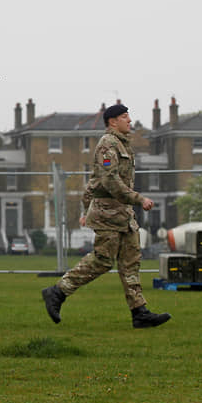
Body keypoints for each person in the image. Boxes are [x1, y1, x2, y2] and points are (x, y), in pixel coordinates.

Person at [41, 103, 171, 329]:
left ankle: (139, 313)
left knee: (131, 263)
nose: (129, 121)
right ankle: (58, 291)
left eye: (128, 116)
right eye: (124, 117)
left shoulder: (123, 144)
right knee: (102, 260)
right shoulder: (107, 145)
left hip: (124, 214)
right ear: (112, 121)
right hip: (108, 214)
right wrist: (139, 199)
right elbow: (109, 181)